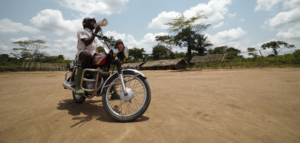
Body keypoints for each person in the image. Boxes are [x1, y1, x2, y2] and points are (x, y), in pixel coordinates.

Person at [75, 17, 100, 95]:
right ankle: (79, 85)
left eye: (94, 22)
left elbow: (94, 48)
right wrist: (95, 33)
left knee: (105, 57)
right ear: (86, 23)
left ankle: (109, 86)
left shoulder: (92, 33)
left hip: (93, 53)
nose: (93, 23)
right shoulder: (82, 31)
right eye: (91, 22)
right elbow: (86, 43)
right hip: (83, 53)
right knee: (88, 55)